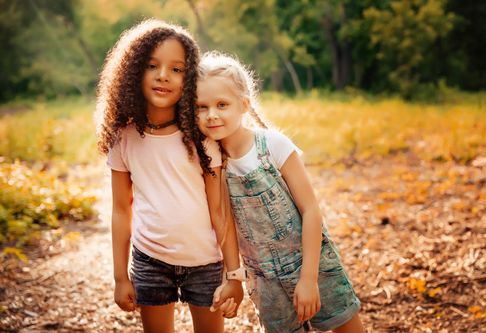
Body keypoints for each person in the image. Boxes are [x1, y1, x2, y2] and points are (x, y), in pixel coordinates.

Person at [196, 52, 366, 333]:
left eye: (222, 104)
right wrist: (234, 277)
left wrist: (309, 279)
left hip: (313, 264)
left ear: (244, 105)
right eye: (200, 107)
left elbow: (311, 211)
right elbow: (222, 220)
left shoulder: (273, 145)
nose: (211, 114)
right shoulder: (212, 163)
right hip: (264, 280)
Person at [95, 20, 243, 333]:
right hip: (150, 261)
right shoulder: (124, 138)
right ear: (134, 70)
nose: (164, 75)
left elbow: (220, 212)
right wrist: (121, 276)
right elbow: (122, 210)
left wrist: (234, 275)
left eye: (176, 69)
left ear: (189, 79)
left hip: (205, 261)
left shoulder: (201, 138)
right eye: (152, 65)